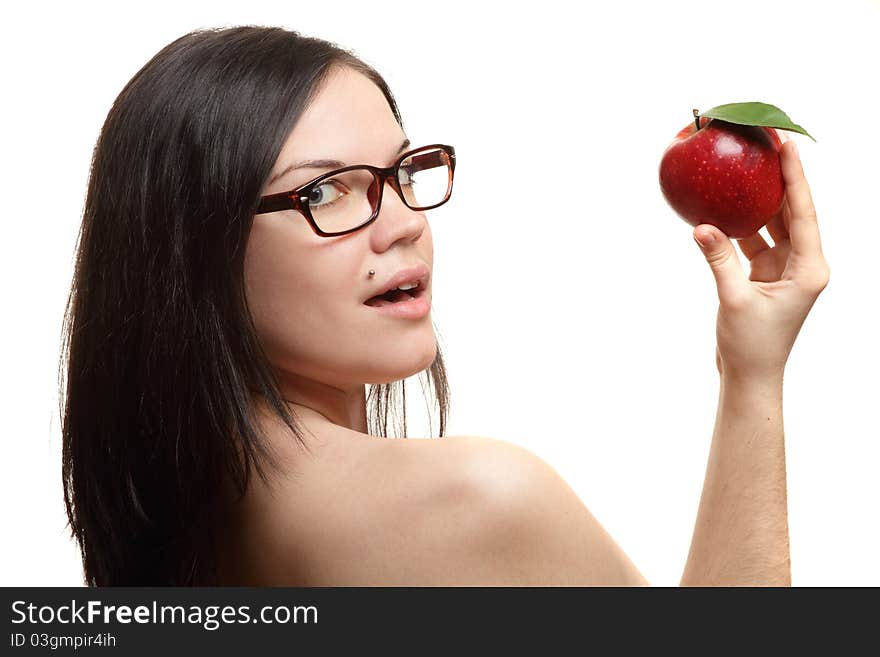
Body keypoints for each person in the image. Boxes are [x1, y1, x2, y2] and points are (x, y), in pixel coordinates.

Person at [60, 26, 830, 586]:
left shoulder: (187, 527)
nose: (403, 224)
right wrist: (754, 379)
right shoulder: (478, 500)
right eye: (324, 190)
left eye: (400, 172)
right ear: (194, 249)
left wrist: (746, 365)